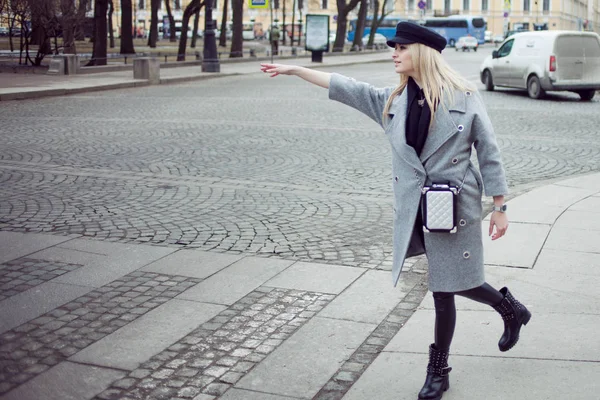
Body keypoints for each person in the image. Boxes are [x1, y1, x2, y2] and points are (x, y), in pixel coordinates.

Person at [260, 21, 532, 400]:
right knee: (449, 283)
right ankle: (510, 309)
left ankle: (440, 369)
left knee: (445, 287)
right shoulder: (392, 100)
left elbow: (489, 151)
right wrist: (295, 70)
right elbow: (344, 87)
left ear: (420, 52)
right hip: (417, 208)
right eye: (394, 47)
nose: (394, 53)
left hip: (454, 206)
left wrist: (500, 206)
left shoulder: (464, 97)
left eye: (401, 48)